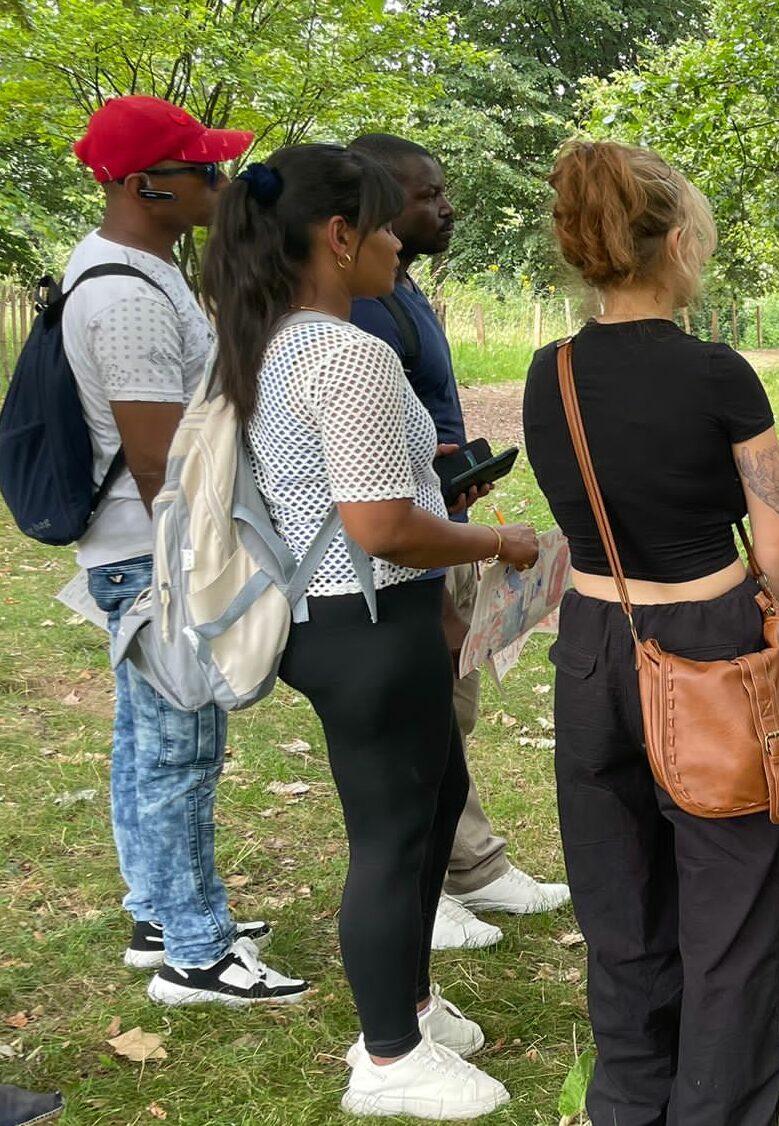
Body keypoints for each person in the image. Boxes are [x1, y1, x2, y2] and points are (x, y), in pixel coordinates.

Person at [205, 143, 539, 1118]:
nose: (400, 242)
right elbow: (380, 522)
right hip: (362, 618)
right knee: (393, 838)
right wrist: (503, 540)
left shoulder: (275, 341)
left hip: (363, 613)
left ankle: (413, 1005)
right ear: (339, 236)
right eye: (387, 224)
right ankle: (389, 1058)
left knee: (428, 813)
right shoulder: (346, 353)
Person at [523, 140, 779, 1126]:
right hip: (709, 642)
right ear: (677, 241)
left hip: (594, 640)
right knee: (729, 918)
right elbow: (775, 544)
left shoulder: (547, 374)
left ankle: (629, 1102)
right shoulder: (721, 374)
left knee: (619, 908)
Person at [64, 95, 305, 1004]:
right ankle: (196, 952)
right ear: (143, 185)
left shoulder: (139, 271)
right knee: (179, 748)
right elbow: (164, 460)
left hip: (139, 549)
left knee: (145, 741)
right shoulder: (124, 294)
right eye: (203, 170)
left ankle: (159, 909)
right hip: (153, 554)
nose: (220, 184)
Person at [345, 132, 571, 952]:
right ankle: (419, 878)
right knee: (418, 710)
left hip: (440, 520)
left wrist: (450, 467)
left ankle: (467, 861)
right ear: (370, 209)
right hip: (401, 542)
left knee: (452, 704)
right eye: (426, 195)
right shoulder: (354, 311)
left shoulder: (398, 287)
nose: (445, 208)